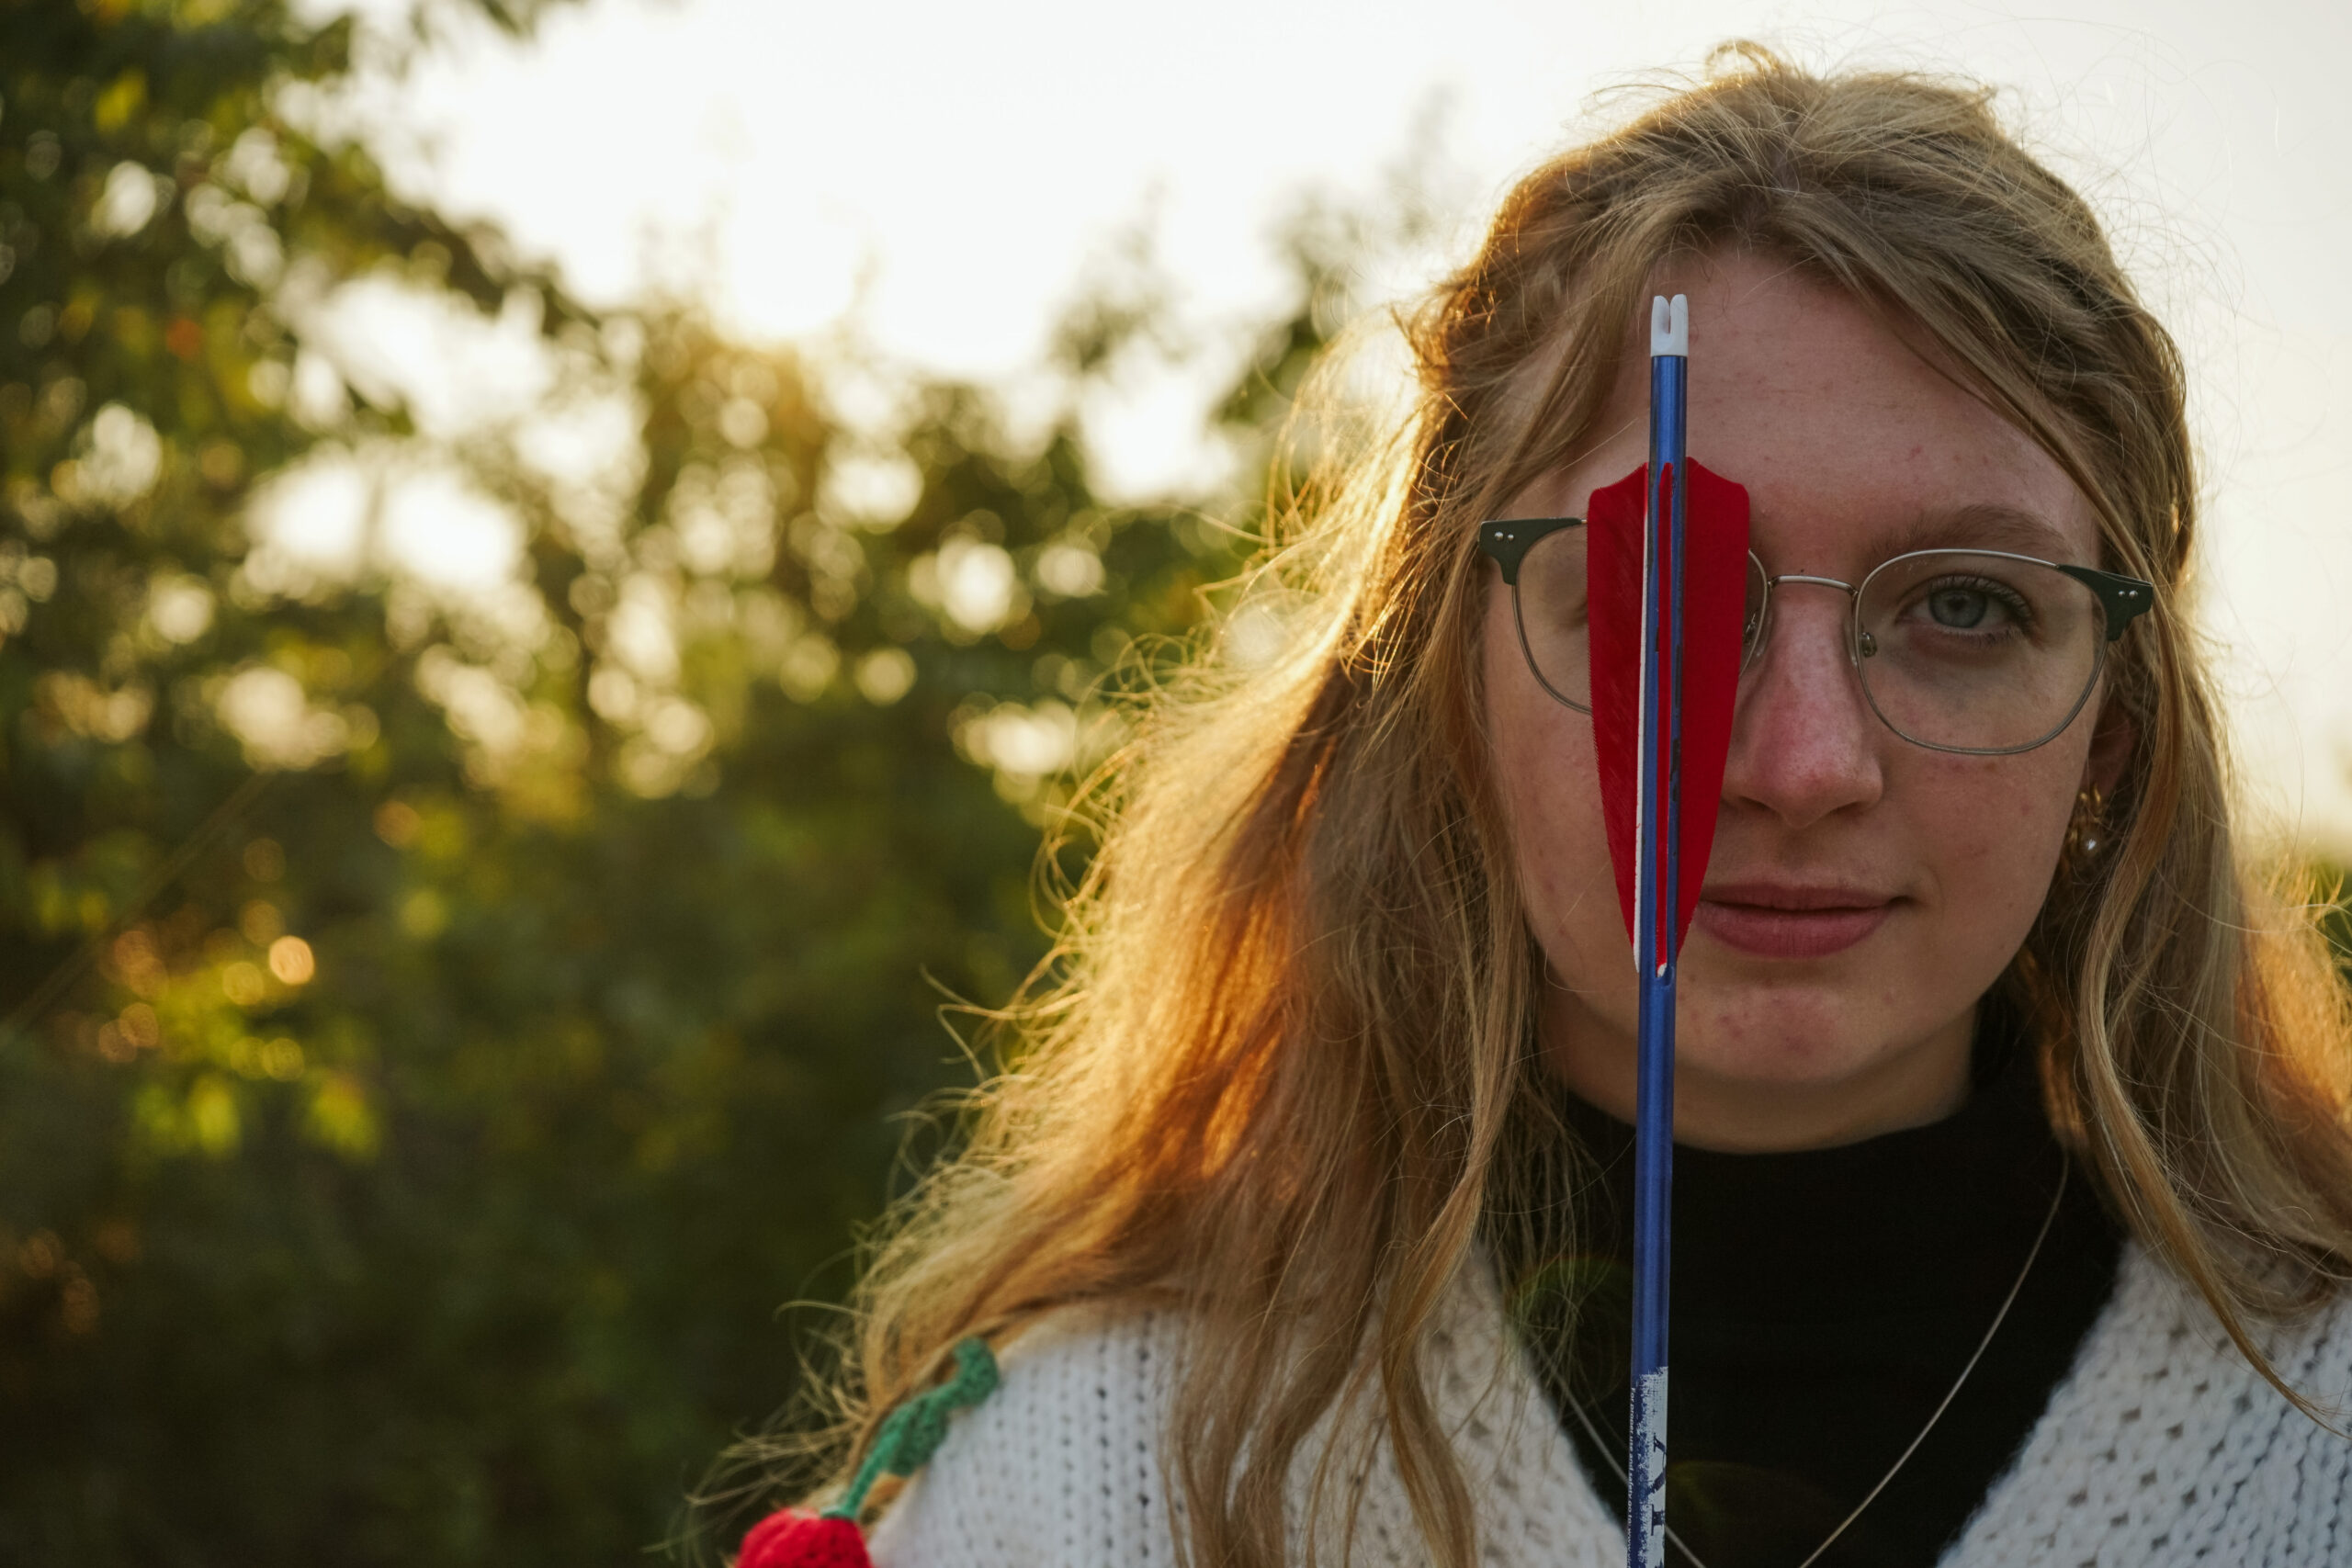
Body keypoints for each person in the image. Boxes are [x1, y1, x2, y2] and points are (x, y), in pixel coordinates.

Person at [763, 46, 2352, 1568]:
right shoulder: (1075, 1480)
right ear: (1448, 686)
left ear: (2118, 728)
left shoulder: (2322, 1441)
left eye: (1966, 609)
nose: (1802, 765)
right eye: (1662, 601)